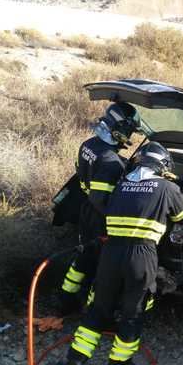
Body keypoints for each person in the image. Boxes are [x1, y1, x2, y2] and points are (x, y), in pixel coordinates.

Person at [50, 142, 183, 365]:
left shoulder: (121, 184)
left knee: (97, 310)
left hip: (111, 254)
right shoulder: (167, 187)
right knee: (132, 314)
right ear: (163, 166)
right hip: (142, 256)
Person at [58, 102, 141, 316]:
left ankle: (66, 301)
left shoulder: (89, 144)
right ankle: (95, 312)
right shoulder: (110, 162)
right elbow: (99, 198)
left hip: (85, 210)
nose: (129, 135)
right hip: (99, 217)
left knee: (83, 257)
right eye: (128, 130)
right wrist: (113, 223)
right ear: (117, 128)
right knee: (103, 265)